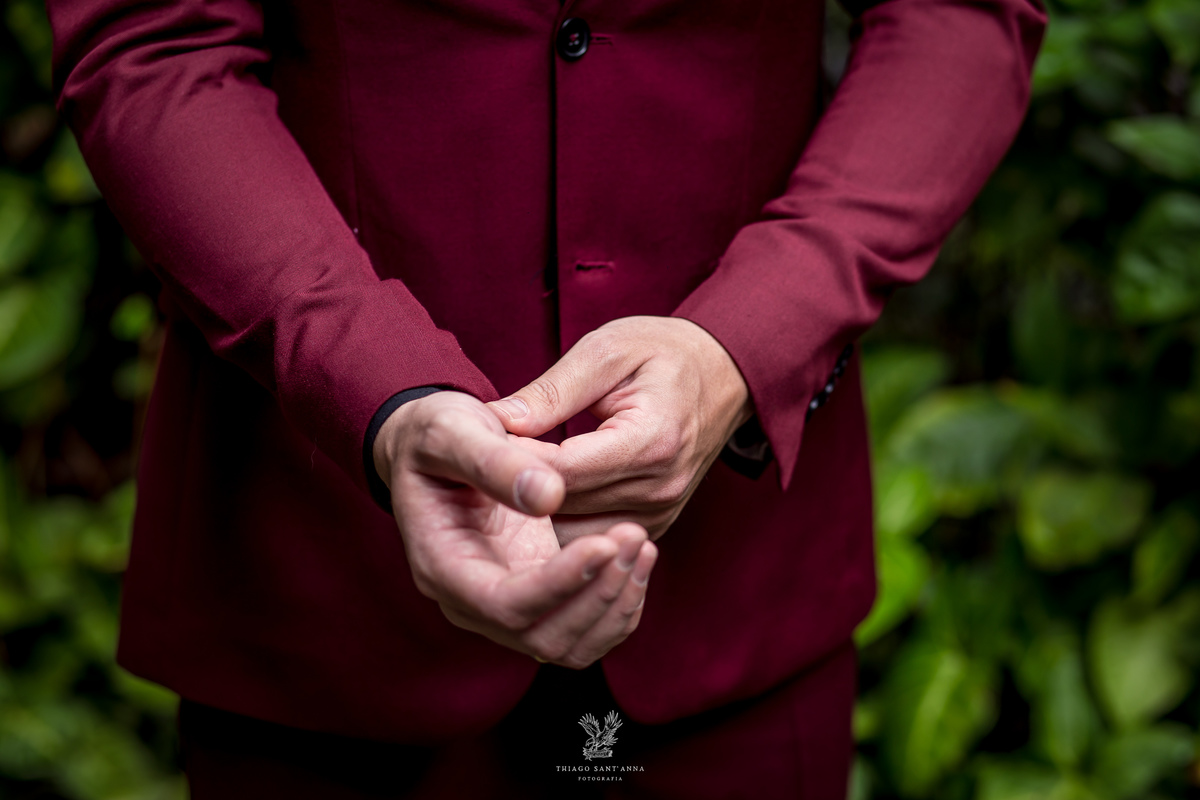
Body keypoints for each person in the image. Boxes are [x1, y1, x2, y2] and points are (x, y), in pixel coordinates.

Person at [47, 0, 1045, 795]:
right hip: (319, 596)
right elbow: (157, 39)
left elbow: (956, 13)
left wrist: (747, 339)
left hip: (734, 600)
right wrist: (373, 382)